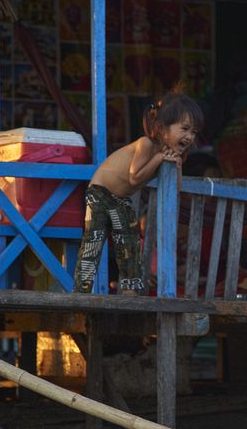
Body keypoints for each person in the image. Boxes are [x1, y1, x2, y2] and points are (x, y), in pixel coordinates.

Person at [74, 87, 204, 295]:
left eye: (193, 132)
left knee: (130, 243)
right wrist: (160, 158)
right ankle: (81, 290)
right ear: (162, 128)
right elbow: (135, 176)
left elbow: (173, 190)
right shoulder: (146, 145)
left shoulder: (165, 156)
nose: (189, 137)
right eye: (185, 128)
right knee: (94, 239)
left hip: (120, 198)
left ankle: (129, 291)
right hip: (100, 190)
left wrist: (177, 166)